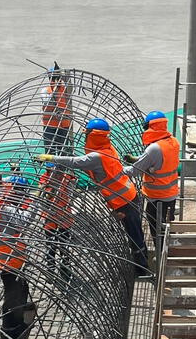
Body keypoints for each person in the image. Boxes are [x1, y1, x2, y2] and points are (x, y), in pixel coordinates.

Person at [37, 117, 150, 276]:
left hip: (122, 201)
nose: (85, 136)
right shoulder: (108, 148)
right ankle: (142, 265)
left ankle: (142, 270)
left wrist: (52, 158)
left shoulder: (97, 157)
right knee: (135, 233)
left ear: (94, 135)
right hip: (127, 195)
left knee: (135, 237)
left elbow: (76, 162)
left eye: (88, 133)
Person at [0, 171, 37, 339]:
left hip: (14, 263)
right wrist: (37, 202)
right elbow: (25, 220)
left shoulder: (1, 204)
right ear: (14, 191)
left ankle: (17, 331)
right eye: (22, 192)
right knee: (12, 302)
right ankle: (10, 337)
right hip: (10, 265)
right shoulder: (6, 209)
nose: (24, 196)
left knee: (21, 294)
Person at [128, 110, 180, 255]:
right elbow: (159, 161)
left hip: (157, 196)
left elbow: (135, 171)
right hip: (171, 193)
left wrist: (116, 170)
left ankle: (163, 256)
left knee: (157, 230)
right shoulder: (173, 141)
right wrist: (141, 160)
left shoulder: (154, 148)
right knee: (168, 224)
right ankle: (171, 249)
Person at [39, 160, 75, 282]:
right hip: (50, 222)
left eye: (59, 170)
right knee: (51, 248)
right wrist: (52, 186)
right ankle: (50, 272)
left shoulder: (66, 177)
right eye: (54, 171)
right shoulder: (44, 180)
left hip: (65, 220)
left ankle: (65, 271)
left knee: (65, 247)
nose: (57, 172)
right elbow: (44, 197)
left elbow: (72, 188)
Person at [40, 63, 72, 154]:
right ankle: (50, 167)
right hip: (50, 125)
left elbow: (70, 86)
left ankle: (62, 168)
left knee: (63, 150)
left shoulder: (64, 88)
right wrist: (54, 91)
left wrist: (64, 77)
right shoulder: (45, 90)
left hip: (63, 124)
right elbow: (47, 102)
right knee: (50, 150)